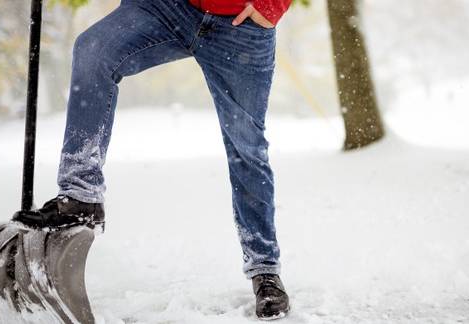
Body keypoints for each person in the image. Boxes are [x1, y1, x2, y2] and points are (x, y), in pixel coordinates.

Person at [35, 0, 291, 319]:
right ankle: (80, 195)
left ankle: (265, 269)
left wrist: (273, 5)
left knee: (247, 147)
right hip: (166, 7)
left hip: (241, 24)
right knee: (94, 51)